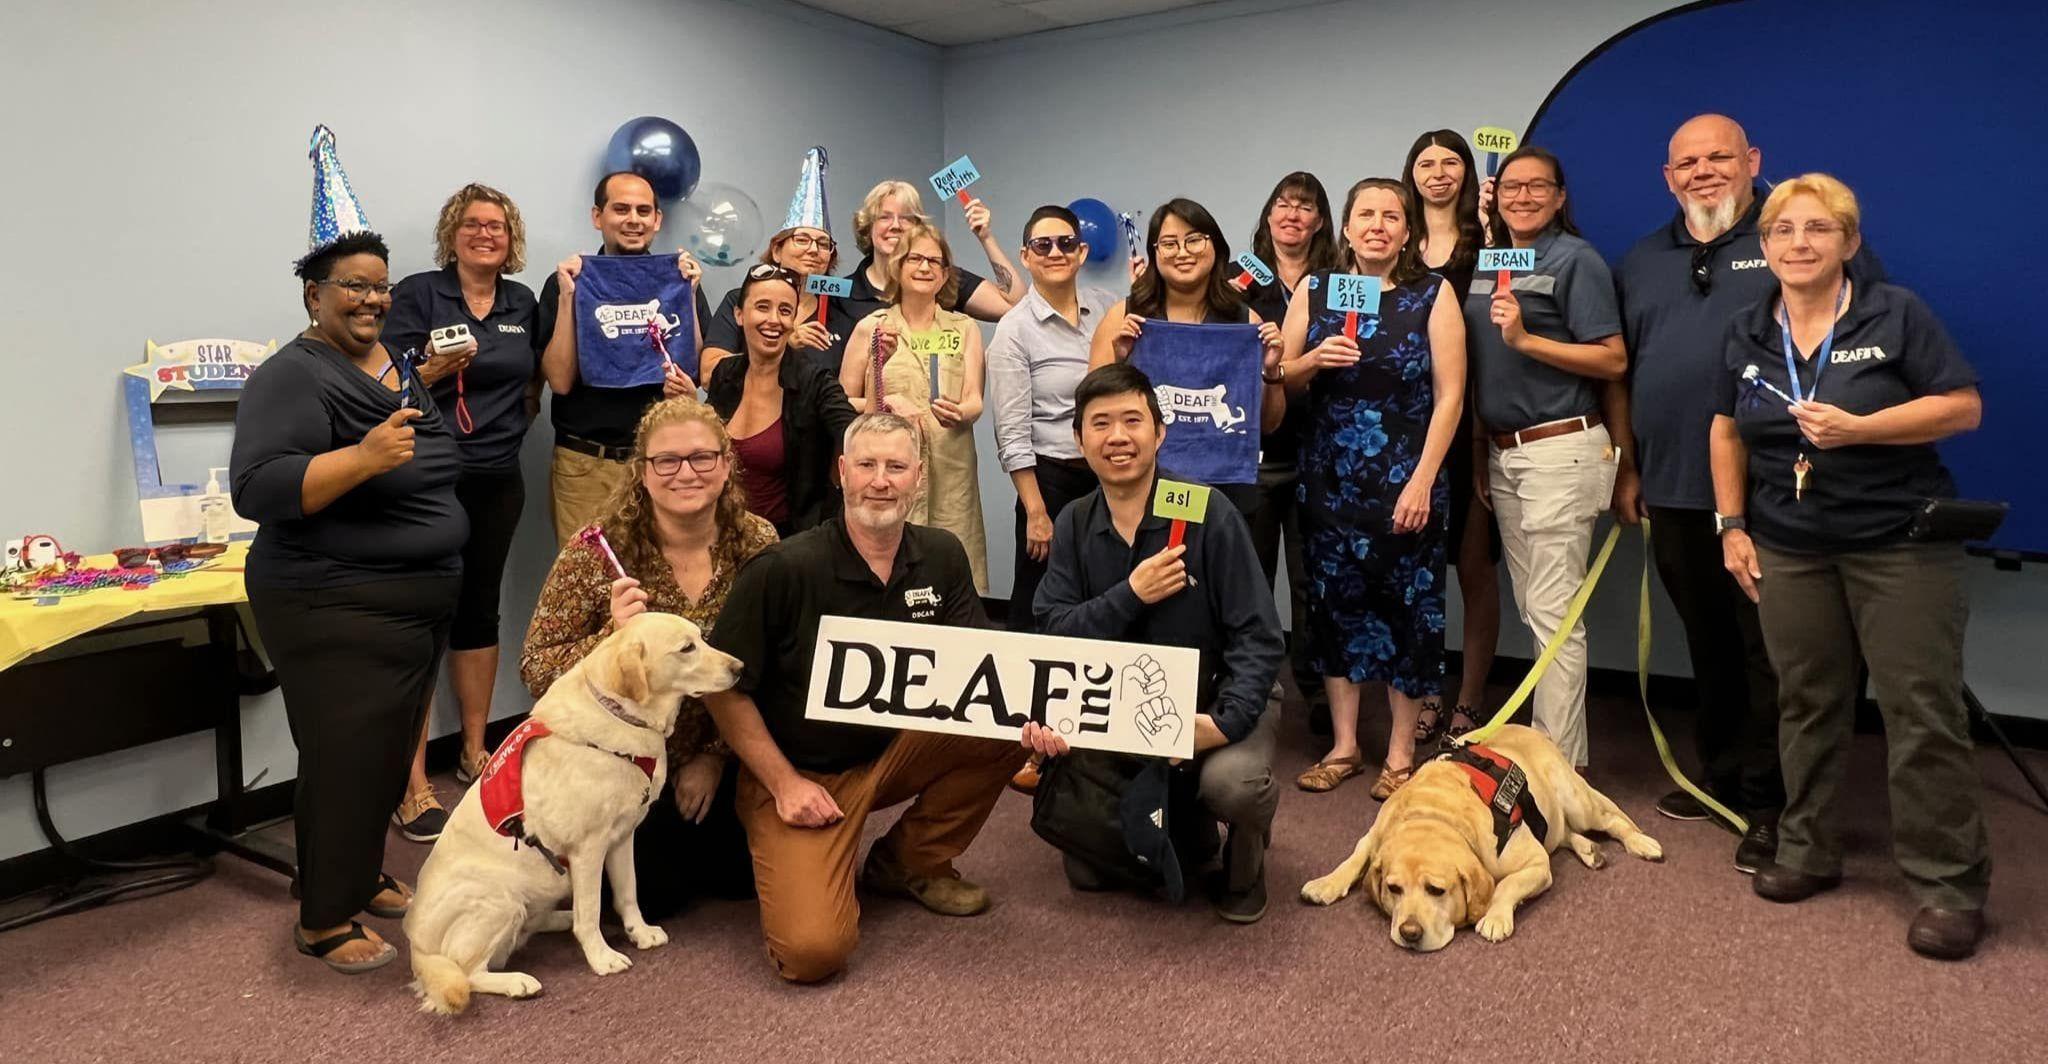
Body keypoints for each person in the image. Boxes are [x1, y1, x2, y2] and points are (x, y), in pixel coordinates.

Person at [1711, 174, 1989, 960]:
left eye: (1818, 230)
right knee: (1805, 702)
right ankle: (1807, 849)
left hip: (1898, 542)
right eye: (1783, 232)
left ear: (1849, 243)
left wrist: (1861, 429)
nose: (1799, 244)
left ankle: (1948, 885)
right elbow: (1727, 430)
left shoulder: (1893, 312)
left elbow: (1962, 406)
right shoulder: (1745, 330)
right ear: (1763, 248)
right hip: (1789, 545)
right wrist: (1732, 525)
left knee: (1921, 712)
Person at [703, 413, 1028, 983]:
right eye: (868, 466)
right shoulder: (784, 568)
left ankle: (907, 862)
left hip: (889, 753)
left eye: (896, 467)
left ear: (918, 478)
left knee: (1003, 728)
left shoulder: (943, 555)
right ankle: (812, 851)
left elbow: (978, 673)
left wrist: (1035, 722)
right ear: (842, 473)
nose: (881, 481)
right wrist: (784, 784)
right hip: (799, 775)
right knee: (813, 955)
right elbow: (723, 688)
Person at [230, 230, 464, 974]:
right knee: (344, 757)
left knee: (383, 756)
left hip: (410, 602)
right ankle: (323, 916)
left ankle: (356, 877)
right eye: (354, 286)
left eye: (380, 286)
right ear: (314, 295)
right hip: (332, 599)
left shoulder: (393, 361)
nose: (372, 299)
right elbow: (258, 488)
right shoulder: (291, 376)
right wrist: (362, 459)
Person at [1024, 363, 1285, 922]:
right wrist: (1132, 594)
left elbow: (1258, 639)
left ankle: (1246, 857)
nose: (1117, 437)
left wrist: (1222, 723)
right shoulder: (1072, 522)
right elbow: (1053, 631)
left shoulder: (1207, 513)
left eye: (1132, 421)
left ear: (1160, 433)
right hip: (1121, 715)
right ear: (1079, 440)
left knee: (1232, 785)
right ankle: (1182, 830)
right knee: (1090, 873)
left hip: (1211, 703)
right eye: (1100, 424)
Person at [520, 396, 778, 918]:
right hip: (623, 766)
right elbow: (537, 668)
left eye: (703, 457)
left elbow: (775, 662)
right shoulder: (597, 551)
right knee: (659, 897)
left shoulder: (758, 543)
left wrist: (712, 756)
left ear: (726, 466)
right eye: (666, 461)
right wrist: (613, 639)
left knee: (738, 882)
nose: (686, 472)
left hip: (728, 748)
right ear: (641, 472)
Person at [1283, 179, 1466, 799]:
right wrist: (1311, 361)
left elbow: (1451, 397)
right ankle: (1344, 746)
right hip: (1329, 485)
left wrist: (1421, 481)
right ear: (1348, 227)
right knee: (1335, 611)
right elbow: (1279, 380)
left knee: (1409, 614)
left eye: (1392, 215)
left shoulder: (1432, 294)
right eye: (1367, 214)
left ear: (1408, 231)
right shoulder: (1316, 289)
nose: (1378, 225)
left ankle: (1399, 754)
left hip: (1407, 485)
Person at [379, 182, 540, 839]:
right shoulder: (419, 294)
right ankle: (412, 784)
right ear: (453, 233)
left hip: (497, 479)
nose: (485, 234)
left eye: (497, 226)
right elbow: (379, 380)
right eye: (473, 224)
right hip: (424, 480)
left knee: (479, 609)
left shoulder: (522, 302)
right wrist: (432, 374)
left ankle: (475, 752)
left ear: (510, 239)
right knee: (422, 618)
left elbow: (532, 383)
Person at [1463, 147, 1626, 770]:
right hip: (1506, 454)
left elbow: (1612, 359)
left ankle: (1558, 768)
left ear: (1560, 197)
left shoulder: (1575, 260)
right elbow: (1485, 367)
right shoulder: (1490, 262)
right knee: (1538, 610)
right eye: (1511, 187)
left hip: (1561, 447)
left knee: (1556, 615)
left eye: (1538, 188)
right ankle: (1550, 756)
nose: (1523, 197)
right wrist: (1482, 453)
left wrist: (1528, 339)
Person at [536, 170, 709, 546]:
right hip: (585, 465)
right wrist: (569, 297)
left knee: (660, 578)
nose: (633, 220)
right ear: (598, 216)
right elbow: (560, 380)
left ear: (657, 221)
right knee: (587, 581)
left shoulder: (678, 279)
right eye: (621, 209)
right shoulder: (567, 281)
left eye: (644, 211)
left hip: (662, 464)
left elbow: (698, 371)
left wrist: (690, 292)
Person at [1088, 198, 1288, 515]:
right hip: (1146, 488)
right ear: (1154, 253)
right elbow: (1092, 413)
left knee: (1224, 565)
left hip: (1228, 490)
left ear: (1216, 246)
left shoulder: (1245, 322)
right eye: (1169, 243)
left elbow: (1268, 424)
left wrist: (1272, 370)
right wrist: (1120, 360)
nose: (1182, 252)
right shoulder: (1125, 317)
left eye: (1194, 240)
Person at [1403, 129, 1501, 744]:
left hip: (1470, 421)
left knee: (1473, 566)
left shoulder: (1484, 241)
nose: (1438, 172)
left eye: (1450, 162)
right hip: (1401, 425)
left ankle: (1469, 698)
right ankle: (1427, 693)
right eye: (1426, 163)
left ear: (1467, 172)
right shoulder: (1397, 243)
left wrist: (1496, 231)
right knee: (1416, 572)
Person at [1242, 172, 1344, 726]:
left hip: (1319, 453)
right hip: (1253, 453)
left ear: (1320, 221)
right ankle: (1252, 689)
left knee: (1313, 584)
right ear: (1268, 216)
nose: (1292, 215)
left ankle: (1316, 693)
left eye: (1304, 208)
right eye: (1282, 204)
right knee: (1252, 578)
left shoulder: (1341, 282)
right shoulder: (1239, 280)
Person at [988, 205, 1120, 631]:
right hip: (1049, 482)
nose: (1055, 252)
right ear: (1025, 256)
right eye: (1042, 245)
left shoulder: (1108, 309)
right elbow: (1011, 432)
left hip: (1110, 481)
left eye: (1066, 243)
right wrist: (1035, 512)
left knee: (1106, 595)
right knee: (1039, 601)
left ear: (1082, 252)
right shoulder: (1014, 329)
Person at [840, 221, 990, 592]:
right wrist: (884, 397)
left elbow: (974, 399)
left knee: (958, 556)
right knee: (890, 564)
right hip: (889, 468)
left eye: (935, 262)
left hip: (951, 462)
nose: (925, 268)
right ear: (898, 267)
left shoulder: (965, 328)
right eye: (915, 259)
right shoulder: (872, 328)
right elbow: (843, 401)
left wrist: (962, 412)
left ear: (944, 276)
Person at [704, 264, 859, 537]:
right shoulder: (725, 374)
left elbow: (856, 439)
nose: (774, 320)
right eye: (762, 307)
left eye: (785, 310)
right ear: (739, 315)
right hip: (721, 534)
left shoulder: (815, 381)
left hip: (788, 546)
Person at [702, 148, 848, 381]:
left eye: (823, 243)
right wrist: (784, 346)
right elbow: (709, 375)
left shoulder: (842, 313)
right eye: (802, 240)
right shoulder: (739, 300)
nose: (813, 249)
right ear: (777, 250)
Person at [840, 180, 1026, 323]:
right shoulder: (842, 292)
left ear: (917, 228)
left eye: (906, 218)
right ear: (868, 226)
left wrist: (986, 237)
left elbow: (1017, 307)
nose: (895, 226)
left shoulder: (940, 276)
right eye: (884, 217)